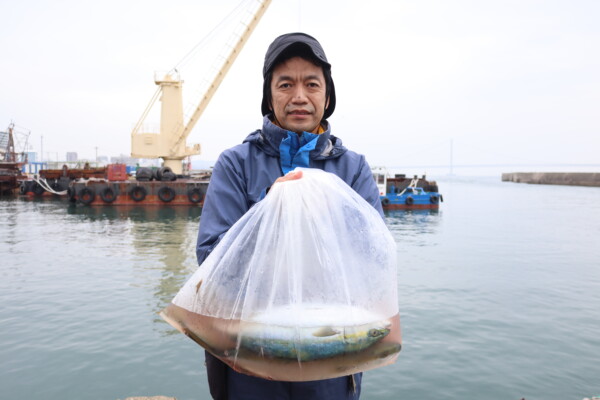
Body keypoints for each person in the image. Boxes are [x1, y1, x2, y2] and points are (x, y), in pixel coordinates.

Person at [196, 32, 383, 400]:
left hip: (330, 352)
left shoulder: (353, 168)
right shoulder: (236, 164)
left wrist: (329, 213)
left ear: (327, 96)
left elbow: (374, 259)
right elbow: (211, 260)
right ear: (269, 96)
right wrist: (274, 209)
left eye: (311, 84)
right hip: (249, 357)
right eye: (286, 84)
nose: (299, 96)